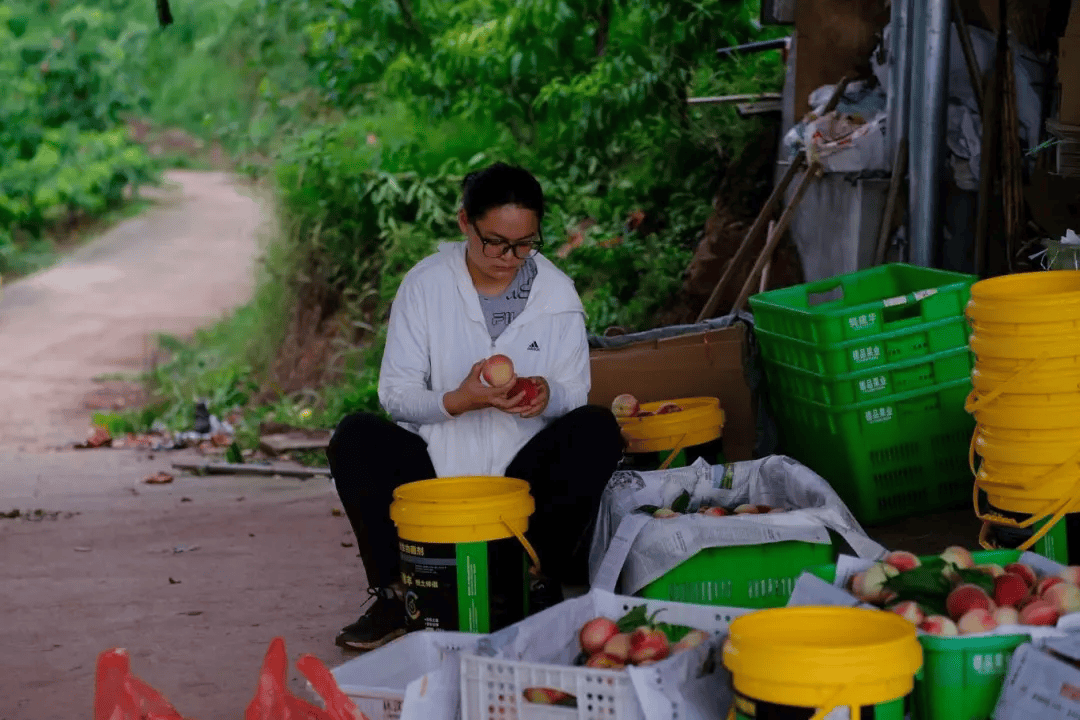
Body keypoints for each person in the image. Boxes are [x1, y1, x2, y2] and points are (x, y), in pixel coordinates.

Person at [326, 162, 625, 651]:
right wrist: (455, 401)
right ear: (465, 223)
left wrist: (548, 393)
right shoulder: (424, 287)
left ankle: (530, 578)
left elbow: (577, 390)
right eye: (495, 242)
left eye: (525, 243)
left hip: (520, 485)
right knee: (355, 436)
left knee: (596, 427)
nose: (510, 257)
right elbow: (394, 393)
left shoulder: (557, 295)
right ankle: (397, 595)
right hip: (435, 482)